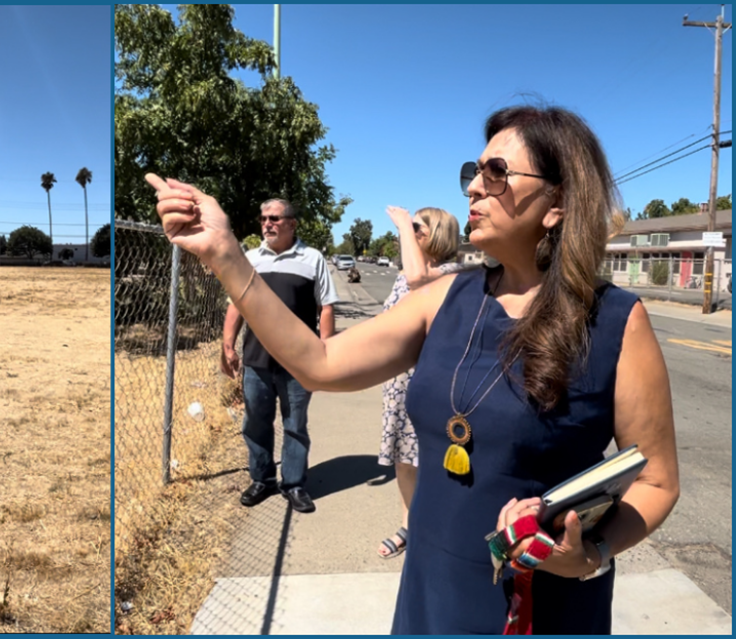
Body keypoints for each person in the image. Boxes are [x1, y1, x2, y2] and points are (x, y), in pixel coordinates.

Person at [146, 104, 679, 634]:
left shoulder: (615, 322)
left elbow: (657, 480)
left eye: (497, 174)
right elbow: (320, 364)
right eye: (473, 172)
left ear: (558, 203)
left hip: (540, 603)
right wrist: (225, 255)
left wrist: (593, 552)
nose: (472, 187)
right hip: (432, 583)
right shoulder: (443, 298)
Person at [221, 198, 338, 514]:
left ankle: (294, 484)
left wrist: (325, 349)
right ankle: (262, 479)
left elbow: (325, 306)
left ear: (292, 223)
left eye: (274, 218)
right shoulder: (249, 260)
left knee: (295, 425)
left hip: (298, 362)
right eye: (263, 219)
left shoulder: (312, 259)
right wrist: (228, 345)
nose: (267, 224)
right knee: (255, 423)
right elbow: (236, 305)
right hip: (257, 360)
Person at [376, 205, 479, 560]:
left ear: (435, 234)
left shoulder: (455, 277)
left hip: (438, 385)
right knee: (404, 463)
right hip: (401, 385)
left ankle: (439, 531)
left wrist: (403, 222)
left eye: (416, 228)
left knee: (436, 462)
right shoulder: (404, 275)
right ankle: (409, 524)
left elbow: (420, 281)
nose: (407, 233)